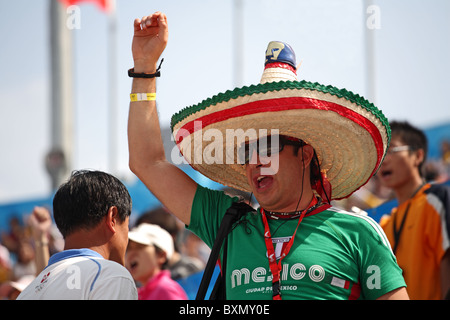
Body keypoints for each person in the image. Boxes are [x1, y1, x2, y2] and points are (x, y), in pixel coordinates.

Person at [127, 12, 408, 300]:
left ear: (305, 154)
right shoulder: (229, 224)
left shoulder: (358, 233)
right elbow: (147, 163)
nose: (255, 162)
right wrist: (144, 69)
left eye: (268, 148)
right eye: (247, 151)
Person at [17, 170, 137, 300]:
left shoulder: (28, 291)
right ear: (112, 218)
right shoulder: (112, 275)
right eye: (126, 224)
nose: (127, 237)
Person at [378, 121, 450, 300]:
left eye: (392, 150)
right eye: (381, 152)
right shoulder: (385, 223)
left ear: (418, 156)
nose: (384, 159)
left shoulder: (436, 199)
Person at [136, 207, 205, 280]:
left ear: (170, 236)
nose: (139, 245)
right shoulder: (142, 279)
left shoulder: (191, 270)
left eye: (149, 236)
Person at [126, 223, 188, 300]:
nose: (131, 253)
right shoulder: (138, 293)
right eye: (128, 248)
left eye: (140, 247)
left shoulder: (165, 289)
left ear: (161, 255)